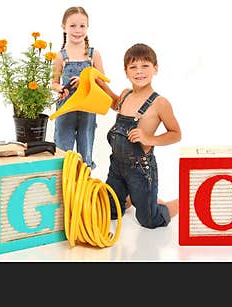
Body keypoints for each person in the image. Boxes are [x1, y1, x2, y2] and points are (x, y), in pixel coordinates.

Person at [101, 43, 180, 229]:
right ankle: (129, 196)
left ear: (155, 68)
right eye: (133, 67)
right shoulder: (125, 94)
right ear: (126, 72)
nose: (139, 72)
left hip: (141, 169)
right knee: (109, 211)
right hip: (116, 166)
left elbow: (176, 134)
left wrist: (149, 139)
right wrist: (98, 83)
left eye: (145, 66)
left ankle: (179, 202)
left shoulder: (160, 103)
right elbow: (114, 104)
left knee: (149, 220)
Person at [50, 6, 111, 169]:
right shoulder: (60, 56)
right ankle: (64, 187)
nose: (78, 30)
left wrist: (84, 80)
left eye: (82, 26)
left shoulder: (93, 55)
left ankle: (84, 188)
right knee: (63, 150)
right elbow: (54, 83)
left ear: (87, 27)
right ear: (64, 27)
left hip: (87, 108)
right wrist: (60, 88)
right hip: (66, 108)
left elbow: (102, 81)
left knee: (86, 150)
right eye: (72, 26)